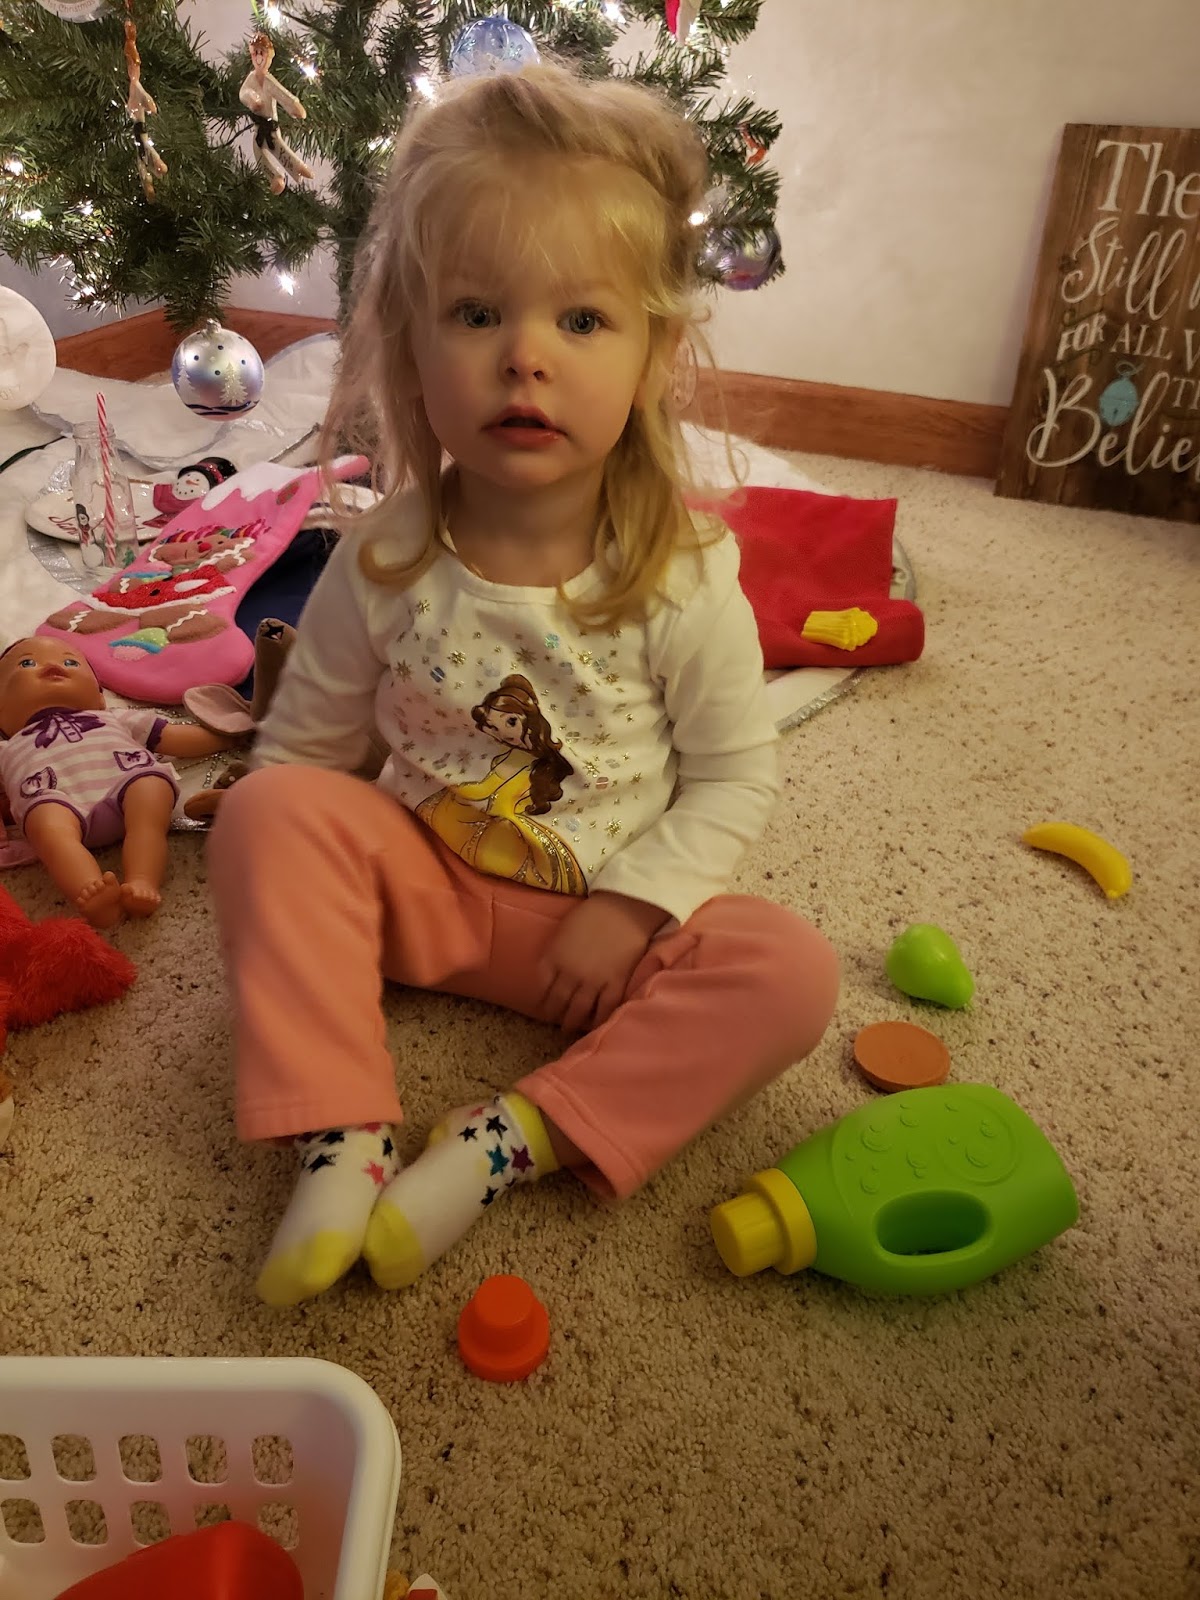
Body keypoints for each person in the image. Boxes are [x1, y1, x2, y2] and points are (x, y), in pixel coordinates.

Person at [207, 63, 840, 1309]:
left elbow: (733, 776)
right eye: (477, 312)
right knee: (262, 814)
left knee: (789, 970)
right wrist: (292, 885)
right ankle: (342, 1132)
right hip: (422, 895)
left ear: (655, 355)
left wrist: (639, 905)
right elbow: (304, 756)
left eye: (583, 321)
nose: (525, 359)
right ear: (410, 345)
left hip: (606, 931)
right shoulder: (384, 557)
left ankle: (509, 1138)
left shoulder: (681, 572)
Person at [0, 638, 239, 927]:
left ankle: (142, 879)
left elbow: (173, 738)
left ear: (99, 696)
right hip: (53, 797)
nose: (52, 666)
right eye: (27, 663)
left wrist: (227, 737)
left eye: (70, 662)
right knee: (48, 830)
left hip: (126, 777)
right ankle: (91, 892)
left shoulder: (113, 717)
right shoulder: (7, 748)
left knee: (150, 790)